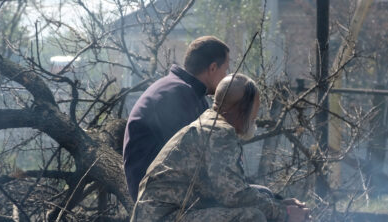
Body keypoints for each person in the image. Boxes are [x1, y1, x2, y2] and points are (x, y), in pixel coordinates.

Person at [131, 74, 310, 222]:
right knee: (252, 218)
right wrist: (284, 214)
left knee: (264, 194)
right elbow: (234, 196)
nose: (255, 116)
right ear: (242, 108)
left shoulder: (211, 122)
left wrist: (278, 202)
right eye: (255, 109)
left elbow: (231, 187)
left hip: (164, 214)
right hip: (163, 217)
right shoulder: (220, 133)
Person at [123, 36, 230, 199]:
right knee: (253, 213)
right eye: (226, 70)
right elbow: (193, 158)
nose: (226, 77)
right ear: (213, 68)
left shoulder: (189, 93)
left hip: (171, 188)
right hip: (156, 198)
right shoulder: (177, 93)